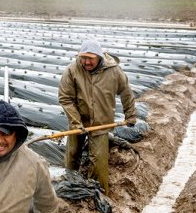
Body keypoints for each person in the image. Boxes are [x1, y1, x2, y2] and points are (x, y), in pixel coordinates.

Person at [58, 38, 137, 195]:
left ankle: (98, 195)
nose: (86, 62)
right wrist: (75, 123)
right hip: (78, 120)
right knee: (72, 155)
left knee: (99, 161)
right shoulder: (73, 70)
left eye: (90, 58)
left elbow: (126, 92)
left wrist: (130, 114)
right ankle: (70, 186)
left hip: (101, 123)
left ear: (99, 57)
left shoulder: (114, 71)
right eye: (83, 58)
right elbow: (65, 98)